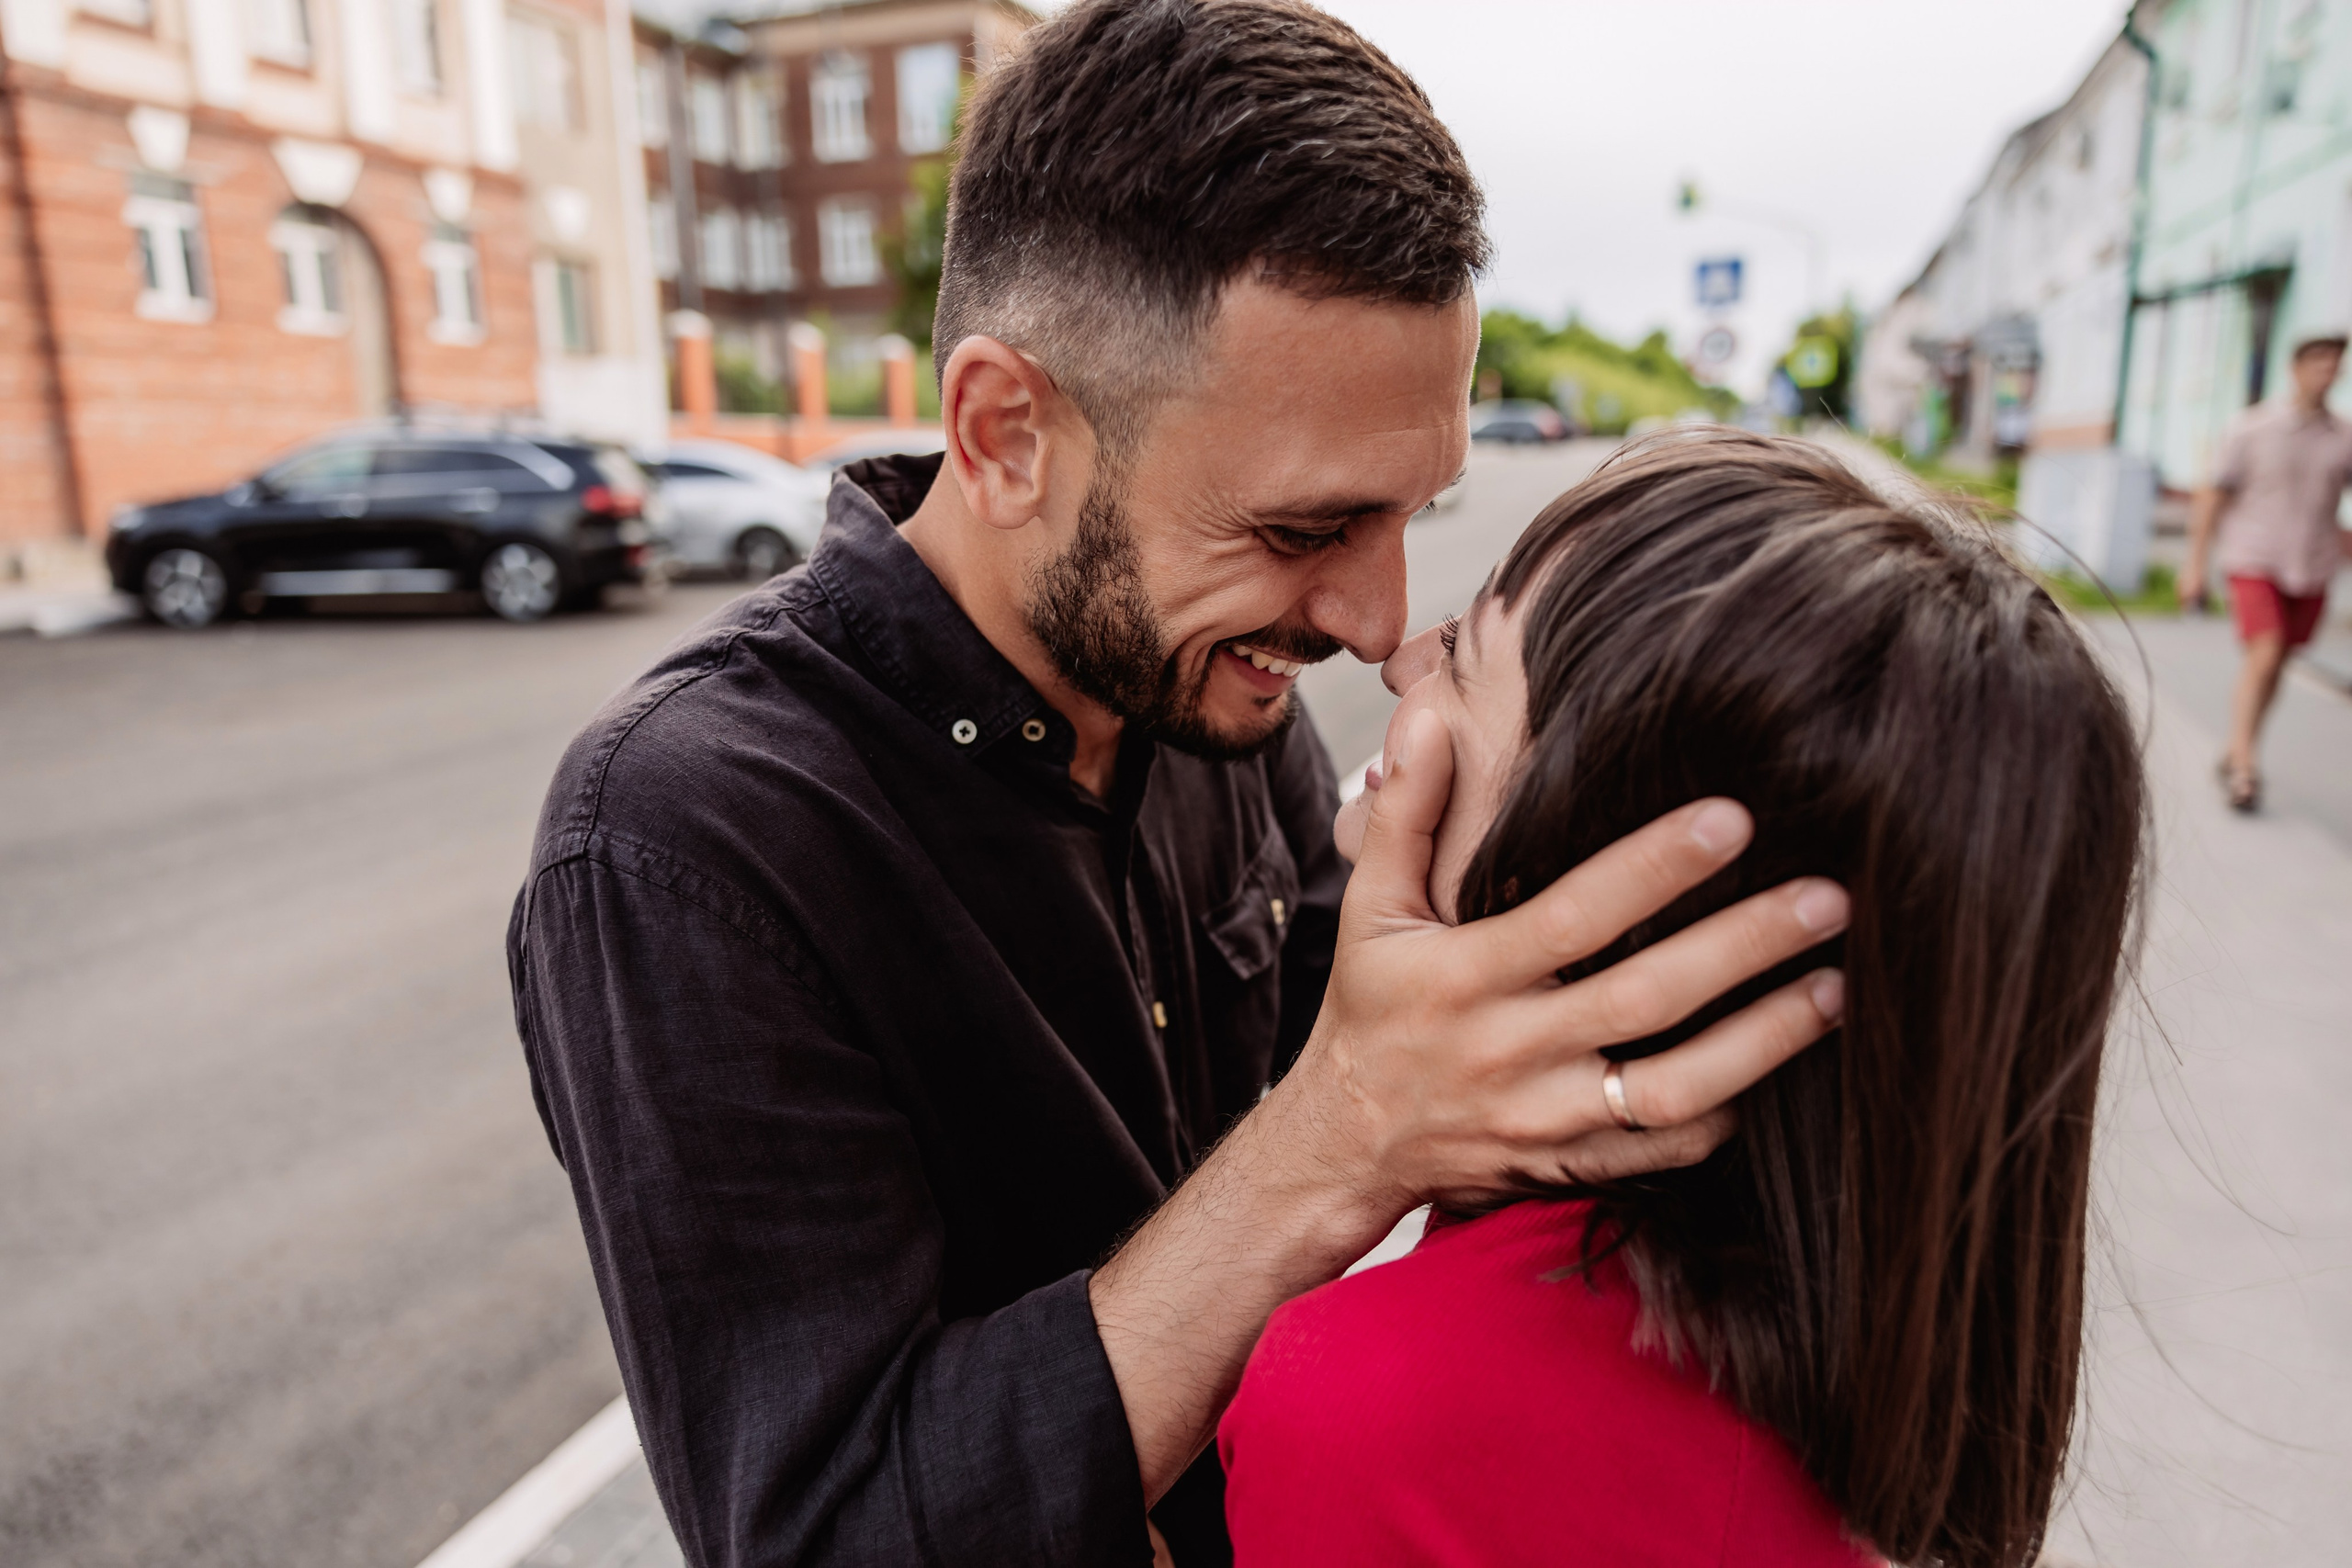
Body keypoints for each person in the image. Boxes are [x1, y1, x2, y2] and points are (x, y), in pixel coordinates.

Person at [507, 4, 1847, 1565]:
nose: (1372, 620)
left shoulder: (1216, 693)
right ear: (1007, 433)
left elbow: (1408, 1039)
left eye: (1413, 513)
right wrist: (1344, 1131)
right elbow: (826, 1535)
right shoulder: (684, 843)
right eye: (1300, 530)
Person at [1221, 432, 2147, 1568]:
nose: (1398, 655)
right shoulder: (1856, 1334)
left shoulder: (1379, 1402)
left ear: (1605, 864)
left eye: (1463, 653)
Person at [2180, 331, 2352, 811]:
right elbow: (2213, 495)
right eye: (2319, 364)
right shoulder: (2251, 428)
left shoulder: (2344, 436)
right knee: (2266, 650)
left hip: (2313, 564)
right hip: (2254, 557)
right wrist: (2194, 566)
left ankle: (2238, 747)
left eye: (2335, 366)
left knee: (2277, 660)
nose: (2327, 374)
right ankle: (2244, 765)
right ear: (2295, 369)